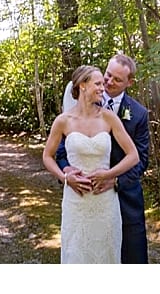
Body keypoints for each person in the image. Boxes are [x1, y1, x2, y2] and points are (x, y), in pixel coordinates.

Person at [56, 53, 150, 263]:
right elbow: (62, 151)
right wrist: (66, 172)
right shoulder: (77, 104)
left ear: (129, 82)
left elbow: (141, 159)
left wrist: (114, 179)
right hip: (83, 194)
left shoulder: (139, 114)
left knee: (131, 260)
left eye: (117, 79)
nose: (108, 82)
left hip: (125, 198)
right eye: (108, 75)